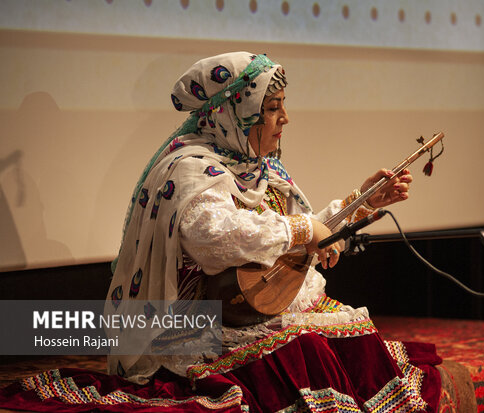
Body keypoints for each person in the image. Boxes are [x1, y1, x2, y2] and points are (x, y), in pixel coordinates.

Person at [0, 52, 441, 412]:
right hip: (193, 324)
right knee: (303, 351)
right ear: (234, 113)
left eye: (283, 106)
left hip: (250, 308)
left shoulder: (259, 168)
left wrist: (357, 203)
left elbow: (287, 235)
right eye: (271, 108)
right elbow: (217, 238)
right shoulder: (190, 169)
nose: (284, 118)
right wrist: (306, 228)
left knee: (352, 339)